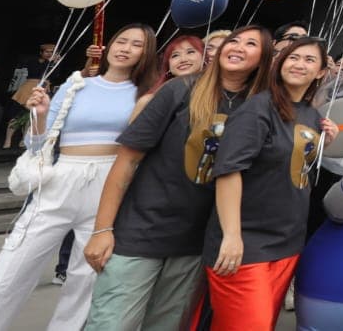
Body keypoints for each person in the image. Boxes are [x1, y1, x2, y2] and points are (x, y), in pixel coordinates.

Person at [83, 26, 273, 331]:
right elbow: (128, 159)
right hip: (141, 232)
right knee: (111, 323)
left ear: (263, 58)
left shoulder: (261, 108)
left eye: (251, 44)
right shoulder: (180, 90)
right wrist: (102, 228)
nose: (236, 47)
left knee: (166, 325)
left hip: (195, 243)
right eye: (233, 40)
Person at [0, 23, 158, 331]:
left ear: (146, 54)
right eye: (121, 41)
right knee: (12, 266)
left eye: (136, 45)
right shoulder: (77, 84)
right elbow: (36, 144)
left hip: (109, 183)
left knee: (85, 278)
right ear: (108, 46)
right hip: (61, 176)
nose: (125, 48)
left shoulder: (146, 95)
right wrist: (40, 115)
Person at [201, 36, 337, 330]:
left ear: (322, 72)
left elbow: (299, 172)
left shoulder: (313, 117)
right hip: (245, 245)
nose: (299, 64)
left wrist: (326, 140)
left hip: (287, 245)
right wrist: (232, 236)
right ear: (279, 63)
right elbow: (227, 171)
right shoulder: (257, 109)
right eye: (293, 57)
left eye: (309, 60)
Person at [4, 42, 53, 149]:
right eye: (47, 52)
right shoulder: (34, 61)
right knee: (16, 115)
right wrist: (49, 63)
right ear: (41, 52)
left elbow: (54, 74)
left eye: (51, 52)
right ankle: (8, 140)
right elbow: (38, 71)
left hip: (43, 89)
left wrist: (53, 63)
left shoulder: (53, 63)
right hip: (29, 88)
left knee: (32, 117)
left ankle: (23, 140)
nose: (49, 54)